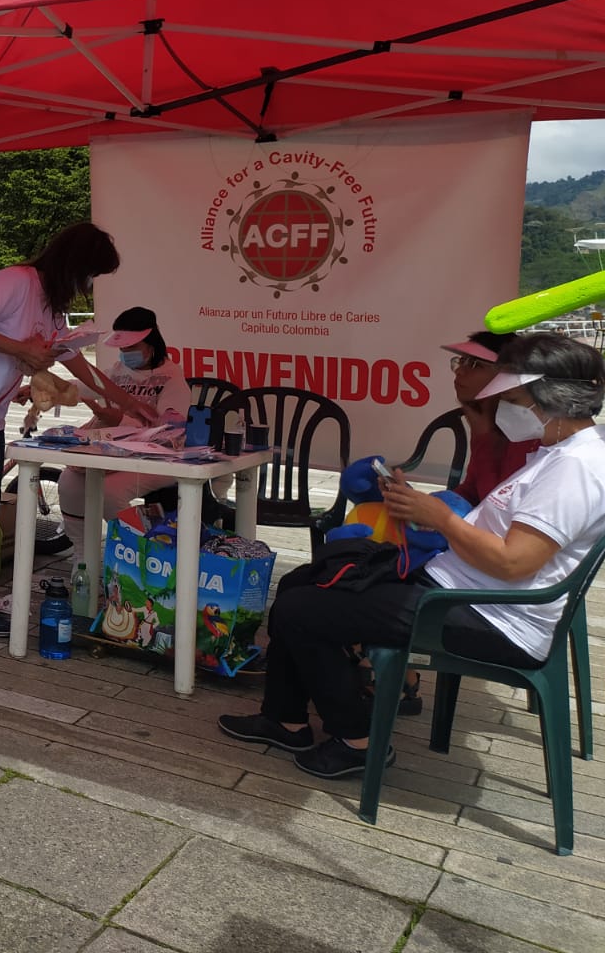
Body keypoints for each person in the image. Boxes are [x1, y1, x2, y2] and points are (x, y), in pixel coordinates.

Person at [219, 333, 605, 778]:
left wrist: (439, 517)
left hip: (492, 617)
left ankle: (358, 741)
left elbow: (514, 562)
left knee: (300, 609)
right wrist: (424, 512)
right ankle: (285, 719)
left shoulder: (574, 468)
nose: (508, 409)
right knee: (300, 582)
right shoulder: (558, 453)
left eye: (516, 399)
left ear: (551, 400)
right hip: (462, 588)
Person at [0, 221, 121, 636]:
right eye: (90, 275)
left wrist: (125, 402)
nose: (89, 286)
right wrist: (20, 351)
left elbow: (75, 361)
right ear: (74, 263)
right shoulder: (16, 281)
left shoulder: (53, 305)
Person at [56, 306, 192, 524]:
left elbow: (169, 434)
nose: (127, 353)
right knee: (69, 483)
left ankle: (140, 549)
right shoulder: (118, 370)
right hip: (115, 454)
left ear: (152, 343)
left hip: (158, 458)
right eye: (123, 347)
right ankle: (82, 552)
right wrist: (48, 389)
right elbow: (85, 385)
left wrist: (119, 420)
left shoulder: (172, 378)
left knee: (109, 492)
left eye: (132, 346)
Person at [442, 331, 542, 504]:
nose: (459, 371)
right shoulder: (489, 419)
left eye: (475, 365)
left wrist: (484, 439)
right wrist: (432, 503)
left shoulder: (527, 432)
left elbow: (496, 505)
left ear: (507, 375)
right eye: (462, 361)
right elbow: (472, 490)